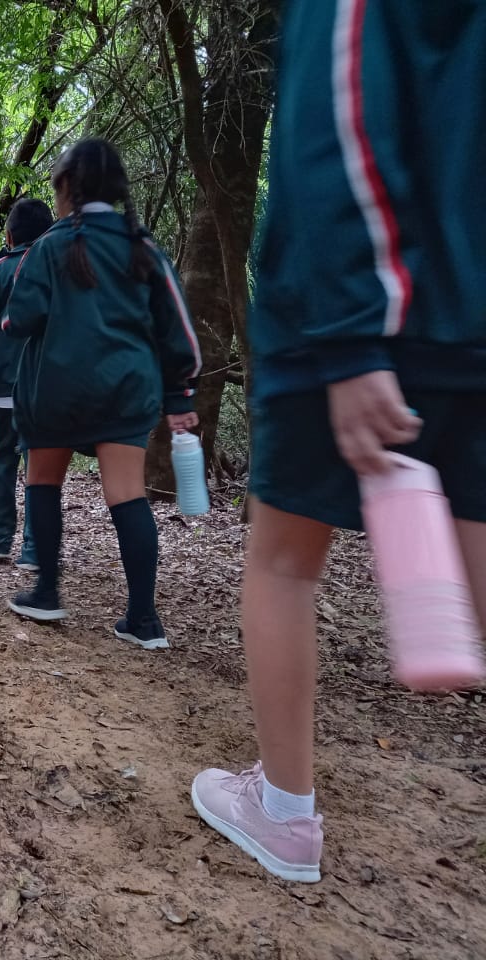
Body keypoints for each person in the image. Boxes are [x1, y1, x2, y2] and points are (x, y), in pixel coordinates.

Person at [191, 0, 486, 885]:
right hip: (470, 315)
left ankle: (284, 813)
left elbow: (337, 109)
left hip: (354, 318)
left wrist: (355, 338)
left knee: (283, 562)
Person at [3, 138, 201, 641]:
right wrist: (180, 398)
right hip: (126, 388)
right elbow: (176, 331)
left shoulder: (50, 246)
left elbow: (20, 319)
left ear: (66, 187)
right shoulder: (143, 247)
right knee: (126, 495)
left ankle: (47, 593)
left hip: (56, 389)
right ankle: (143, 619)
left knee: (43, 482)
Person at [0, 198, 54, 568]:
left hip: (2, 386)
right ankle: (35, 550)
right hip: (50, 386)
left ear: (9, 233)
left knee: (1, 458)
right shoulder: (60, 269)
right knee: (42, 465)